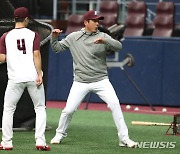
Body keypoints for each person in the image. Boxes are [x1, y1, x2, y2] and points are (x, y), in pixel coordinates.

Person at [50, 10, 137, 148]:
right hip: (80, 81)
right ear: (86, 22)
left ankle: (124, 138)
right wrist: (54, 37)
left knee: (115, 104)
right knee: (68, 110)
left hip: (101, 80)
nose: (97, 23)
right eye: (94, 21)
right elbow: (57, 48)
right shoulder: (74, 37)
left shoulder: (103, 35)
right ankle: (59, 134)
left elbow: (119, 46)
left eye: (98, 21)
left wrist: (106, 40)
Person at [0, 7, 50, 151]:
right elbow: (36, 55)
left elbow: (2, 58)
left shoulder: (5, 36)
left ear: (15, 19)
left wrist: (13, 57)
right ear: (26, 19)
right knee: (40, 108)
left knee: (8, 110)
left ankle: (6, 142)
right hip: (32, 77)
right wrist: (39, 73)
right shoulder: (33, 34)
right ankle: (40, 141)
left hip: (15, 78)